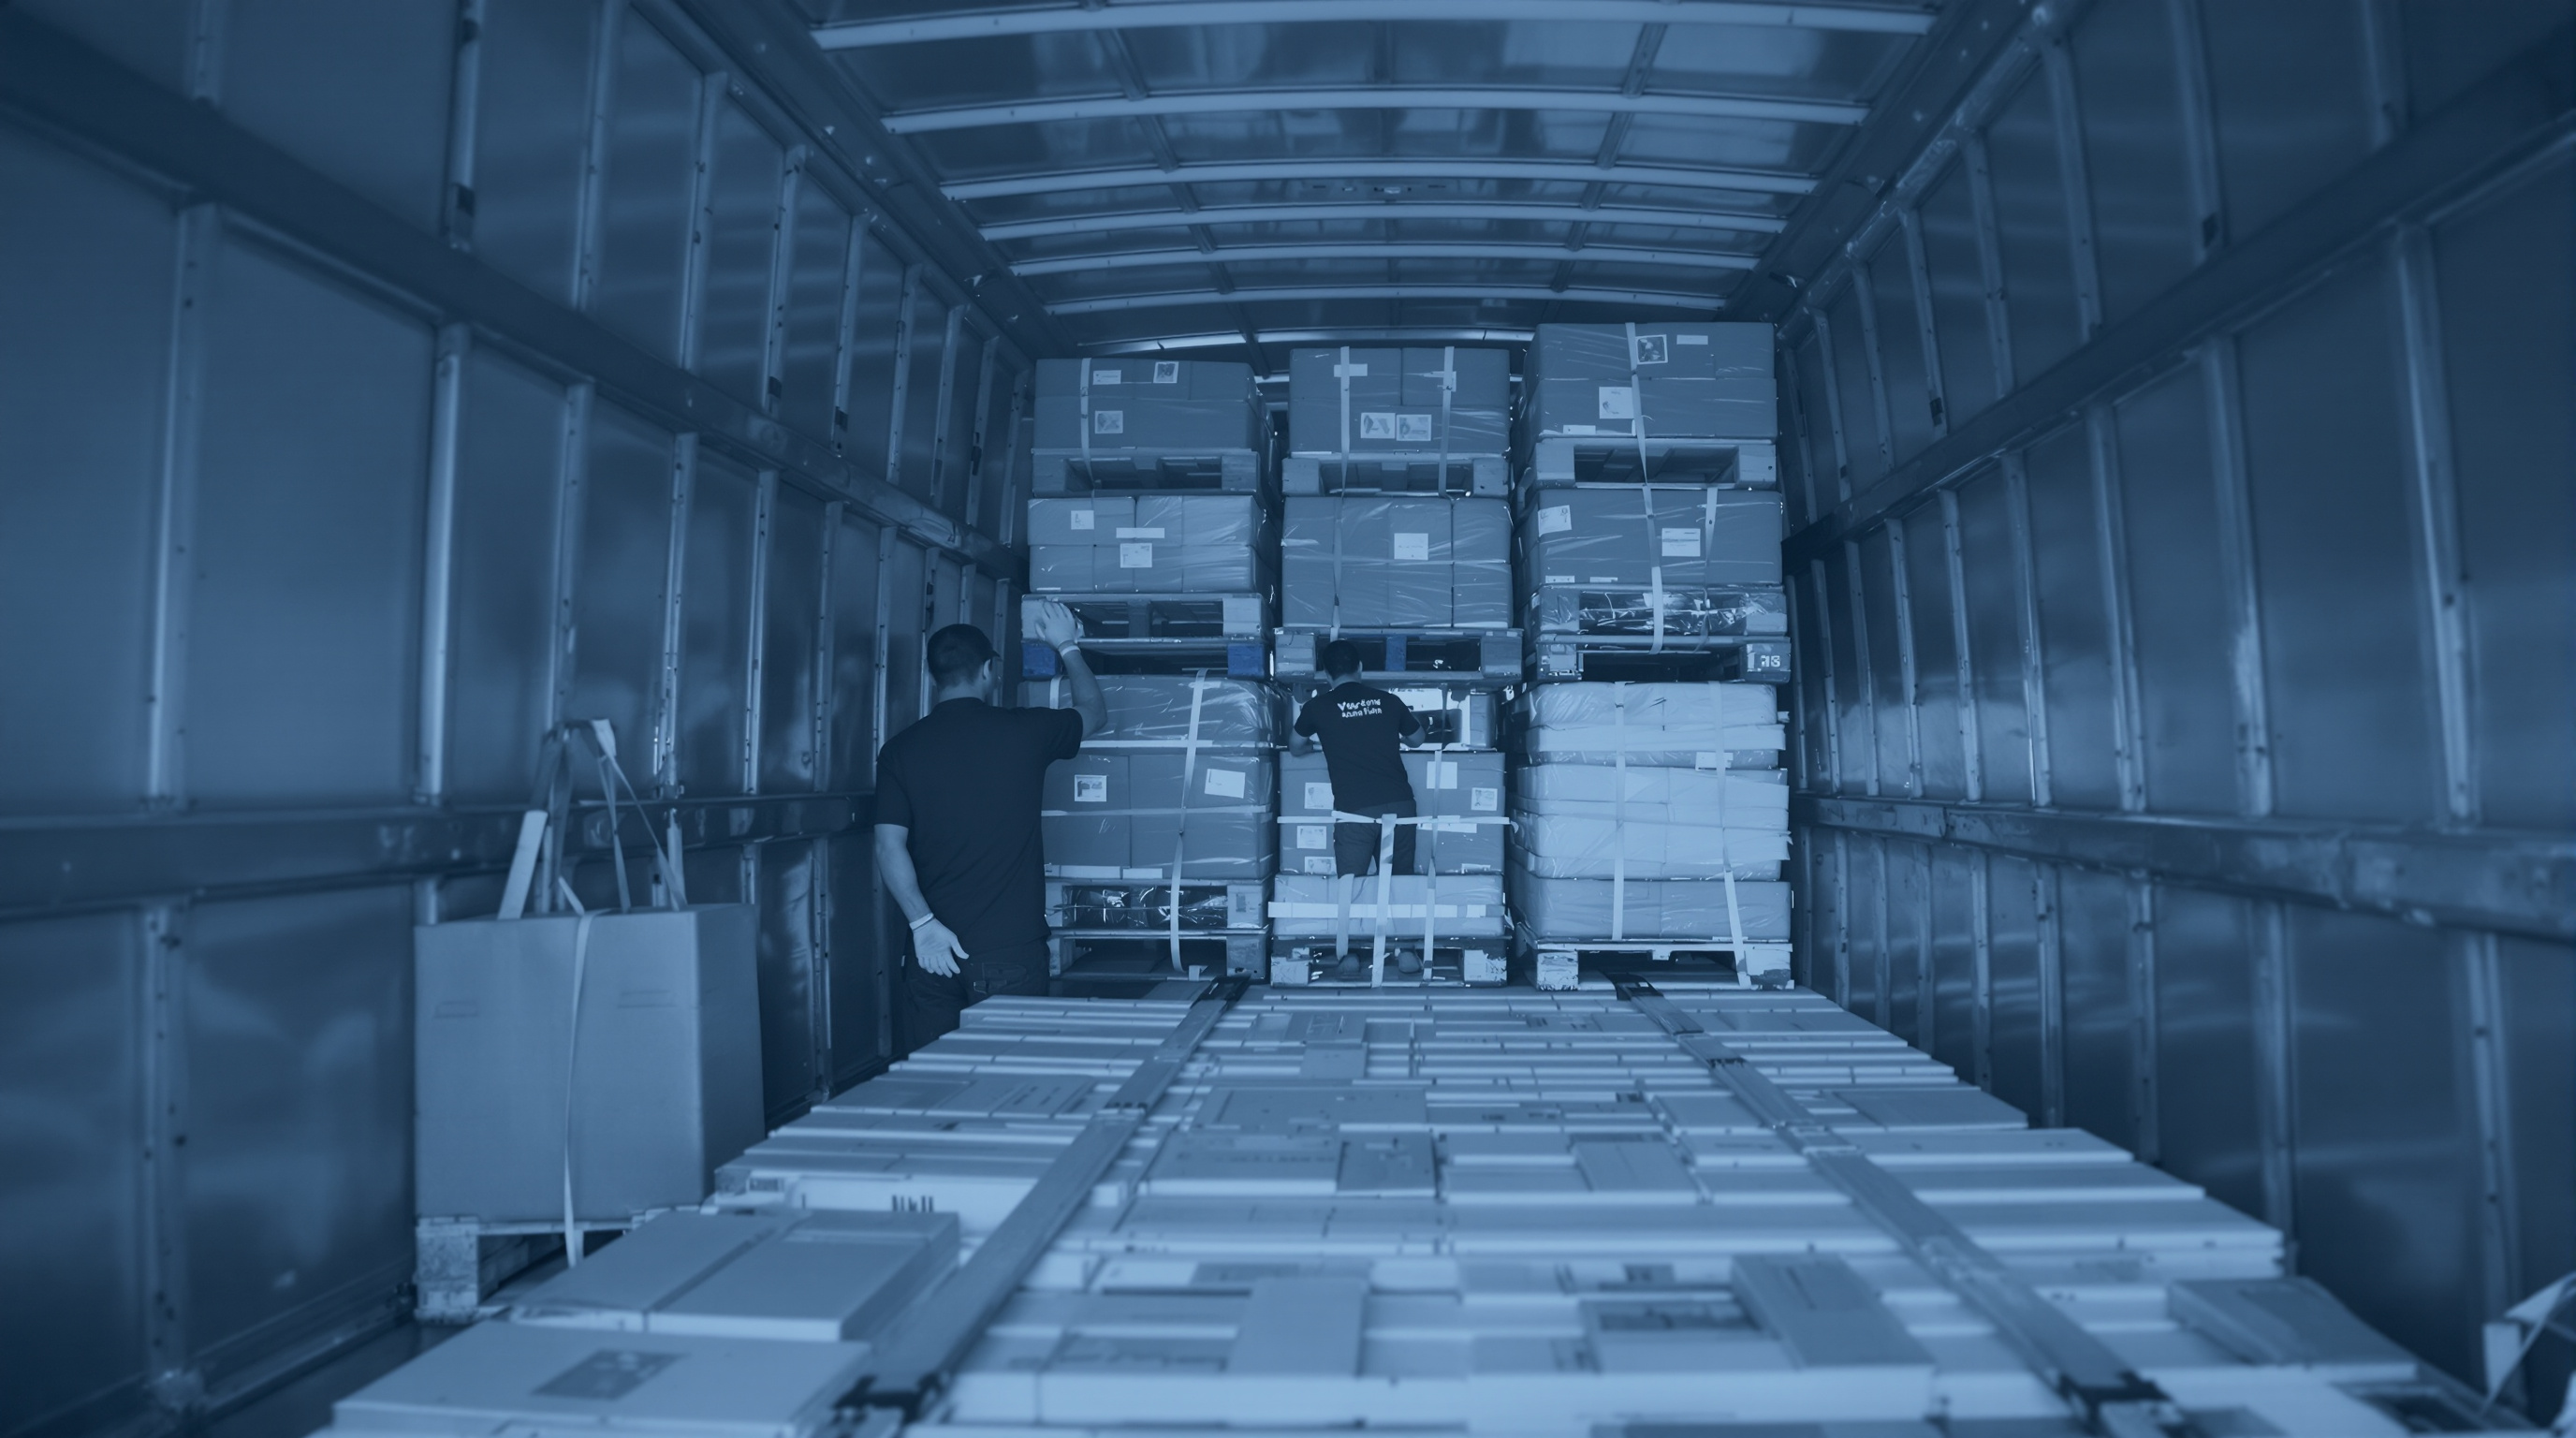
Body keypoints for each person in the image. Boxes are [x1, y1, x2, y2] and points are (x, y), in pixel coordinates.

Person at [874, 602, 1105, 1054]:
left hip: (931, 954)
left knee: (933, 1084)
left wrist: (923, 924)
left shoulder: (900, 751)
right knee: (1010, 1084)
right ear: (988, 671)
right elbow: (1094, 712)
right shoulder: (1025, 732)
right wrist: (1066, 644)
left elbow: (887, 847)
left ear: (931, 678)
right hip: (1008, 951)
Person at [1290, 638, 1426, 976]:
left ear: (1326, 674)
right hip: (1399, 805)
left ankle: (1349, 954)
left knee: (1350, 882)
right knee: (1399, 879)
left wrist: (1321, 744)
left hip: (1354, 811)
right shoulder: (1388, 701)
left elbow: (1295, 746)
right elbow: (1419, 738)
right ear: (1360, 669)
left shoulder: (1317, 708)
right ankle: (1405, 951)